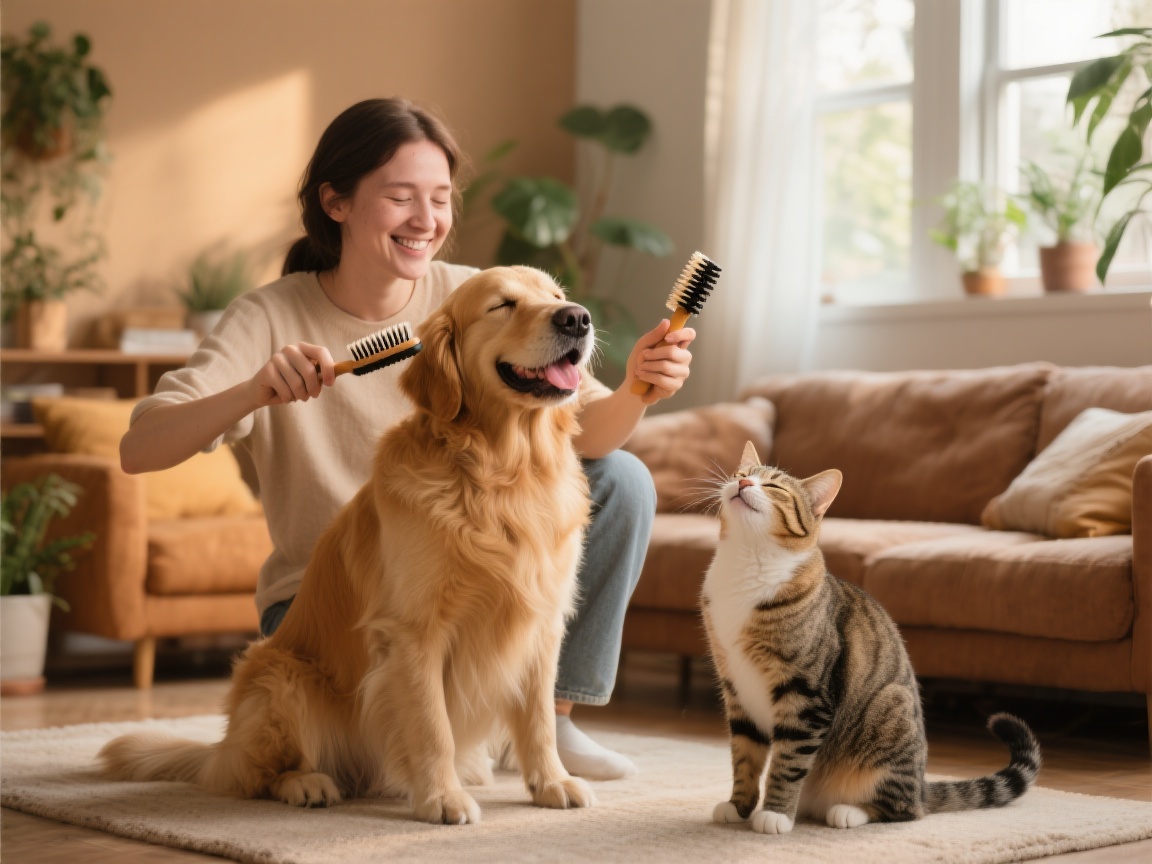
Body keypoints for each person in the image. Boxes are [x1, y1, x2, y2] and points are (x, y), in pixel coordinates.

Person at [120, 98, 696, 781]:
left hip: (458, 580)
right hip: (328, 606)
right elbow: (140, 449)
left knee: (622, 478)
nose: (427, 221)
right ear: (336, 203)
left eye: (441, 199)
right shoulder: (268, 315)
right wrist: (252, 391)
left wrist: (636, 388)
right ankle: (407, 750)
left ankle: (552, 726)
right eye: (400, 198)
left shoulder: (471, 295)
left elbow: (588, 431)